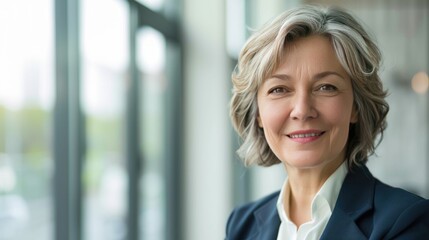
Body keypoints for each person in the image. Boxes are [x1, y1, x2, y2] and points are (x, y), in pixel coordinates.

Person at [225, 5, 429, 240]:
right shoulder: (241, 226)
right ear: (258, 112)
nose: (302, 110)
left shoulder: (406, 222)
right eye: (279, 89)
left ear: (355, 106)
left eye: (326, 87)